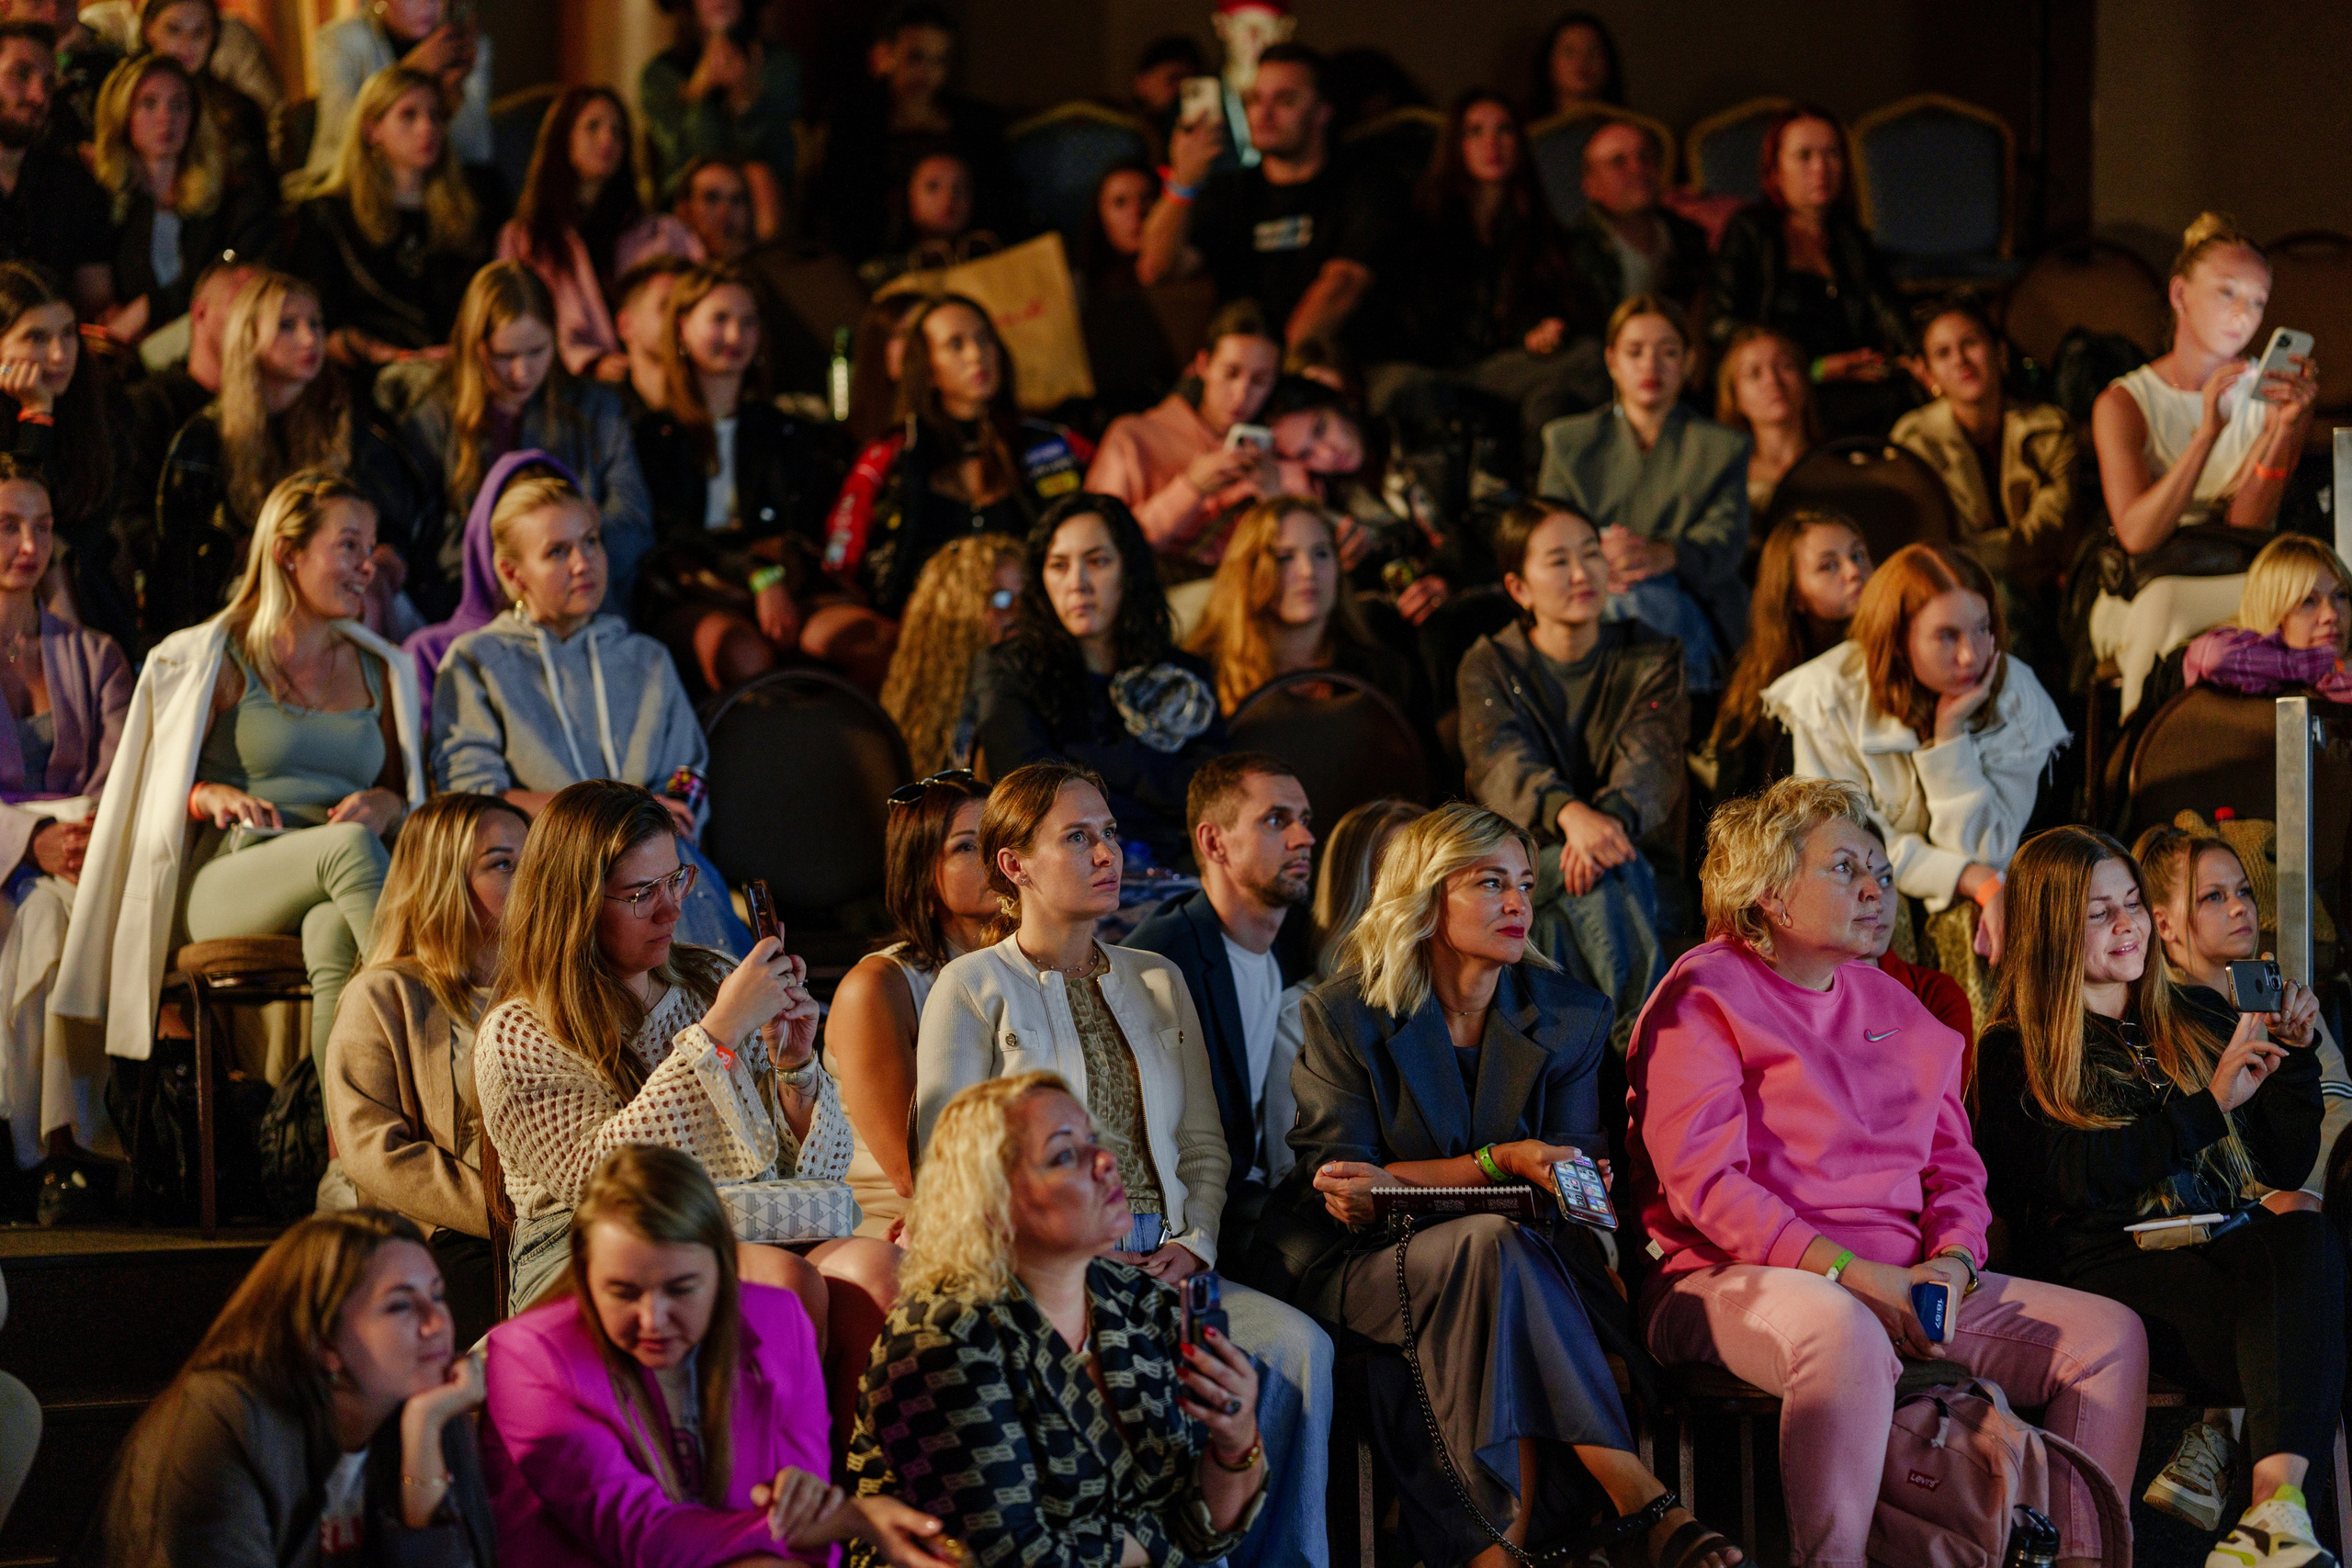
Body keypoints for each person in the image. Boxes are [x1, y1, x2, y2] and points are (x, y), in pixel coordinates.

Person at [1627, 778, 2146, 1568]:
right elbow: (1707, 1187)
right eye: (1845, 869)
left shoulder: (1900, 1006)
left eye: (1880, 867)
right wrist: (1853, 1274)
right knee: (1840, 1327)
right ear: (1767, 893)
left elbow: (1956, 1169)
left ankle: (2076, 1559)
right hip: (1730, 1277)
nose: (1877, 887)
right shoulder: (1704, 991)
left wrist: (1955, 1258)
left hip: (1902, 1282)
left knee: (2108, 1336)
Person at [1261, 800, 1738, 1568]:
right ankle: (1638, 1495)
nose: (1519, 903)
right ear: (1425, 895)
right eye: (1490, 883)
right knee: (1494, 1241)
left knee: (1495, 1256)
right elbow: (1346, 1186)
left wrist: (1423, 1180)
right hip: (1366, 1264)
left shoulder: (1570, 1015)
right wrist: (1504, 1162)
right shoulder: (1346, 1013)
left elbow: (1570, 1190)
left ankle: (1499, 1553)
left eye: (1524, 882)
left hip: (1528, 1263)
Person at [913, 759, 1332, 1568]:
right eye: (1078, 837)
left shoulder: (1158, 977)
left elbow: (1207, 1148)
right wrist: (1065, 1261)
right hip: (1047, 1275)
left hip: (1170, 1261)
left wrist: (1197, 1243)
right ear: (1015, 864)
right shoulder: (971, 986)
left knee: (1297, 1348)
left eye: (1109, 834)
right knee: (1152, 1387)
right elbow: (948, 1169)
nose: (1108, 854)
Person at [471, 778, 902, 1416]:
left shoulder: (708, 977)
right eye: (641, 893)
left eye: (677, 881)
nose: (671, 910)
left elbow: (813, 1173)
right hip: (587, 1248)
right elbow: (604, 1181)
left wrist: (794, 1065)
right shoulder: (521, 1027)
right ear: (573, 902)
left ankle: (843, 1485)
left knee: (879, 1272)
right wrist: (717, 1036)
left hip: (735, 1219)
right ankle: (770, 1496)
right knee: (784, 1285)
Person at [1973, 826, 2341, 1563]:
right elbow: (2068, 1181)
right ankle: (2274, 1524)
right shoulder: (2015, 1046)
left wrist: (2294, 1061)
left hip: (2221, 1247)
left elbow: (2281, 1159)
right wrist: (2207, 1104)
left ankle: (2274, 1510)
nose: (2128, 924)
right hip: (2108, 1268)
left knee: (2305, 1235)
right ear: (2052, 929)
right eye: (2099, 912)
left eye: (2133, 902)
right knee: (2310, 1316)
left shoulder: (2195, 1012)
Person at [60, 471, 424, 1097]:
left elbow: (412, 795)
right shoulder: (211, 656)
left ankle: (343, 1153)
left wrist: (390, 802)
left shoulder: (380, 667)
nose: (368, 566)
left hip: (335, 881)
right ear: (288, 552)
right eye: (349, 546)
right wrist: (201, 794)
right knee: (351, 851)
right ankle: (439, 1037)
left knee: (334, 937)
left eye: (371, 549)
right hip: (230, 876)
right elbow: (138, 794)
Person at [849, 1072, 1268, 1565]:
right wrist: (1167, 1542)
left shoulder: (1139, 1304)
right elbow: (1015, 1558)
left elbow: (1209, 1532)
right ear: (992, 1208)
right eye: (1065, 1155)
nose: (1107, 1160)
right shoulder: (939, 1341)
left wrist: (1236, 1440)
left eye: (1093, 1141)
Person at [484, 1145, 944, 1567]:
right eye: (622, 1292)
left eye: (681, 1289)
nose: (653, 1320)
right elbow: (638, 1537)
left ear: (723, 1269)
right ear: (585, 1276)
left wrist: (817, 1517)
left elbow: (803, 1526)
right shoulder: (529, 1356)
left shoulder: (777, 1319)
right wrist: (850, 1519)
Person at [429, 467, 745, 954]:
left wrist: (672, 811)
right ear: (513, 574)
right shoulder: (477, 660)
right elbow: (474, 794)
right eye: (558, 552)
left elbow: (688, 770)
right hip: (549, 864)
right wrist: (605, 818)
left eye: (591, 542)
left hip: (653, 855)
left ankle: (738, 1020)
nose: (584, 563)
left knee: (667, 866)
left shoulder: (646, 658)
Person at [75, 1210, 492, 1566]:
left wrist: (423, 1434)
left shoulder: (425, 1411)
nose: (436, 1323)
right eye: (400, 1305)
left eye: (438, 1296)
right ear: (324, 1341)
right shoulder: (226, 1420)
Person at [1764, 541, 2067, 994]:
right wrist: (1970, 877)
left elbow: (1987, 848)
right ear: (1899, 640)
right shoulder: (1826, 698)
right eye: (1947, 636)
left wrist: (1950, 737)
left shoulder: (2014, 692)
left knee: (1984, 917)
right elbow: (1844, 850)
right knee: (1881, 904)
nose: (1971, 656)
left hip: (1975, 885)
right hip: (1863, 885)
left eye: (1982, 629)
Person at [1458, 501, 1682, 1043]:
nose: (1583, 574)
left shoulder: (1650, 654)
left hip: (1632, 859)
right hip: (1523, 866)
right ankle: (1651, 1048)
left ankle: (1571, 1090)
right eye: (1559, 561)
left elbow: (1650, 759)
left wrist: (1602, 826)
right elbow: (1499, 764)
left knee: (1570, 915)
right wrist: (1569, 814)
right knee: (1598, 881)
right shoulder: (1490, 664)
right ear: (1519, 588)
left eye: (1591, 554)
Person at [323, 792, 529, 1349]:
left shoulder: (552, 994)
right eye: (504, 863)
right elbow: (374, 1152)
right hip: (445, 1239)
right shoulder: (384, 994)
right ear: (445, 880)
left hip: (550, 1229)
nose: (530, 880)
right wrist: (509, 1213)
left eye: (534, 862)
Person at [631, 262, 873, 694]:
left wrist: (777, 576)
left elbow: (803, 527)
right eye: (720, 319)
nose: (735, 336)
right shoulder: (652, 437)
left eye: (748, 322)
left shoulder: (787, 431)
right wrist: (758, 575)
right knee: (742, 654)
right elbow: (669, 540)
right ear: (683, 327)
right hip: (693, 593)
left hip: (785, 585)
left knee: (868, 640)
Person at [153, 267, 425, 639]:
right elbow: (184, 566)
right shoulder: (207, 437)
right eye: (287, 325)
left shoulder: (345, 419)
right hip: (248, 605)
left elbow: (394, 522)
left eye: (316, 323)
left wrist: (383, 554)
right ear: (248, 336)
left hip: (339, 587)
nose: (310, 338)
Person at [379, 260, 653, 626]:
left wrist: (564, 566)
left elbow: (632, 522)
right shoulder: (434, 410)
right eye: (504, 356)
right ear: (475, 346)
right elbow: (422, 534)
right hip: (466, 608)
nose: (522, 373)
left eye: (537, 352)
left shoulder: (596, 410)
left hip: (584, 611)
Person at [1125, 751, 1317, 1265]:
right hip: (1189, 1215)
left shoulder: (1285, 950)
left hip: (1252, 1189)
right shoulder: (1165, 959)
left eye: (1304, 821)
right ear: (1214, 842)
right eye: (1277, 821)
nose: (1304, 839)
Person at [973, 495, 1225, 872]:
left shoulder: (1182, 675)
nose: (1078, 583)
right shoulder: (1010, 670)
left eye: (1098, 561)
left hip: (1186, 868)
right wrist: (1151, 784)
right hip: (1069, 873)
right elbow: (1031, 798)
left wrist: (1081, 758)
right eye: (1059, 565)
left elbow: (1214, 796)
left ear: (1129, 571)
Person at [0, 459, 130, 1179]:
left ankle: (48, 1147)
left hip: (84, 852)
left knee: (57, 915)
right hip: (13, 857)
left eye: (43, 527)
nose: (29, 544)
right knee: (44, 917)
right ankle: (58, 1142)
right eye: (8, 526)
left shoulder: (94, 652)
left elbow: (121, 771)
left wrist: (76, 840)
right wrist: (28, 844)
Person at [823, 293, 1091, 620]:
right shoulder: (892, 451)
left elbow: (1108, 517)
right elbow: (841, 547)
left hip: (1038, 616)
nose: (976, 355)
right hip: (926, 624)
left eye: (984, 339)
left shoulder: (1051, 441)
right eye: (955, 344)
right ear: (928, 369)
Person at [1381, 89, 1601, 474]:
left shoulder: (1538, 228)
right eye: (1475, 132)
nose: (1492, 144)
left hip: (1511, 371)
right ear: (1456, 146)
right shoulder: (1423, 224)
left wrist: (1547, 329)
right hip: (1442, 373)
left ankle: (1544, 516)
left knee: (1583, 363)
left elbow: (1566, 304)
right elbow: (1413, 323)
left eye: (1504, 131)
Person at [1537, 296, 1750, 693]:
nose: (1650, 366)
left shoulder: (1721, 448)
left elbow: (1725, 543)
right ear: (1612, 361)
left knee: (1642, 601)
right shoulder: (1569, 442)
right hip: (1589, 593)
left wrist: (1662, 555)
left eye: (1667, 352)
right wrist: (1597, 554)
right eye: (1635, 352)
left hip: (1689, 601)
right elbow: (1547, 532)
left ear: (1688, 362)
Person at [2134, 820, 2352, 1203]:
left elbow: (2339, 1103)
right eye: (2213, 897)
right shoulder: (2159, 1020)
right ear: (2164, 924)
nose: (2240, 907)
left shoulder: (2281, 998)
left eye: (2244, 891)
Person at [1140, 42, 1402, 356]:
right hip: (1240, 374)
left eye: (1285, 100)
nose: (1263, 113)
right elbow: (1156, 269)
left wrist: (1276, 371)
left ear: (1322, 112)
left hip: (1334, 364)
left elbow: (1342, 287)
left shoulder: (1365, 183)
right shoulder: (1232, 191)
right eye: (1254, 100)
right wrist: (1182, 183)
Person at [828, 769, 994, 1241]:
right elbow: (910, 1171)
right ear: (923, 873)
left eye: (1002, 837)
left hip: (1012, 1206)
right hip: (895, 1223)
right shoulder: (878, 986)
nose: (997, 859)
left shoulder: (1036, 967)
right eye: (967, 846)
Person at [2093, 213, 2315, 564]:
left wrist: (2281, 432)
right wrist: (2207, 435)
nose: (2243, 313)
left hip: (2239, 565)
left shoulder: (2274, 395)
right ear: (2180, 294)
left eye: (2258, 301)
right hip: (2157, 574)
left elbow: (2246, 525)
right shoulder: (2123, 404)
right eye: (2227, 292)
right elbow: (2136, 536)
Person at [1703, 104, 1912, 437]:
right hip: (1782, 384)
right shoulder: (1750, 231)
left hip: (1857, 381)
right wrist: (1814, 367)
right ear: (1775, 171)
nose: (1821, 168)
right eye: (1804, 156)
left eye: (1832, 154)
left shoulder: (1851, 237)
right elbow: (1720, 324)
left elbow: (1890, 312)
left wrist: (1919, 357)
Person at [286, 65, 495, 368]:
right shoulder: (327, 216)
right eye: (409, 115)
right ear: (372, 130)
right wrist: (401, 358)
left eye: (436, 116)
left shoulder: (472, 204)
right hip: (373, 371)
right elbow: (321, 327)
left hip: (465, 364)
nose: (427, 128)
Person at [497, 85, 701, 379]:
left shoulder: (659, 233)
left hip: (657, 377)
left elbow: (696, 304)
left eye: (617, 131)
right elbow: (512, 324)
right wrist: (589, 363)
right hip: (563, 383)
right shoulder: (524, 239)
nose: (608, 139)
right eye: (593, 127)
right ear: (563, 137)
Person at [1893, 296, 2080, 604]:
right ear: (1927, 375)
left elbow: (2050, 531)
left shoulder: (2050, 428)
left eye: (1970, 343)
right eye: (1943, 353)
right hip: (1957, 593)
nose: (1960, 360)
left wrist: (1971, 551)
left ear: (2000, 352)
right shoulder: (1913, 442)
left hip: (2050, 590)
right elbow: (1933, 546)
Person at [1185, 494, 1423, 724]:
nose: (1308, 570)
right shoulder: (1202, 681)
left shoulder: (1381, 673)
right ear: (1248, 572)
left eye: (1321, 553)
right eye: (1284, 557)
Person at [0, 262, 138, 655]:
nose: (59, 354)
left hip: (84, 589)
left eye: (68, 334)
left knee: (56, 554)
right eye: (36, 338)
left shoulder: (103, 409)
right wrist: (36, 419)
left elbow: (87, 526)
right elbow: (15, 515)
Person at [1084, 298, 1283, 562]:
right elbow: (1096, 546)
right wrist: (1190, 488)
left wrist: (1273, 495)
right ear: (1203, 365)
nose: (1241, 394)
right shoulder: (1134, 436)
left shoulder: (1272, 450)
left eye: (1259, 381)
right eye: (1231, 373)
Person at [812, 4, 1013, 265]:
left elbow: (1001, 203)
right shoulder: (853, 125)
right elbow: (837, 210)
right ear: (885, 56)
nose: (927, 72)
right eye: (916, 57)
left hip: (968, 260)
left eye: (939, 60)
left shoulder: (976, 125)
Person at [90, 52, 267, 343]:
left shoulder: (232, 197)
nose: (166, 118)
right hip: (132, 352)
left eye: (179, 106)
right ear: (122, 114)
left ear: (195, 117)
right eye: (149, 104)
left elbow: (246, 283)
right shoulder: (103, 201)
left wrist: (151, 307)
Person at [1703, 508, 1870, 806]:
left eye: (1857, 555)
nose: (1854, 571)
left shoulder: (1893, 651)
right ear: (1793, 593)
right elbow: (1733, 804)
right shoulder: (1758, 679)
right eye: (1828, 566)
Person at [639, 0, 798, 231]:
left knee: (758, 177)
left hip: (762, 199)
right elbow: (682, 157)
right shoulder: (660, 75)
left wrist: (745, 103)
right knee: (707, 184)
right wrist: (698, 96)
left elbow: (774, 151)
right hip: (686, 194)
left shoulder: (778, 64)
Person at [876, 532, 1023, 777]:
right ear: (959, 610)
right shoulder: (919, 711)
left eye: (1026, 598)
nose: (1017, 613)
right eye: (1000, 598)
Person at [302, 0, 491, 185]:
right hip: (345, 181)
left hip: (432, 185)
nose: (426, 5)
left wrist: (451, 98)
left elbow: (474, 149)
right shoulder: (339, 41)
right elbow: (342, 131)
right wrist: (409, 73)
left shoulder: (460, 46)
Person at [0, 23, 113, 321]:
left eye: (48, 83)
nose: (38, 96)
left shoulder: (71, 185)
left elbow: (95, 304)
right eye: (21, 74)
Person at [109, 0, 272, 188]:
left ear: (214, 36)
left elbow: (257, 195)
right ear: (149, 30)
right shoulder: (122, 96)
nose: (185, 44)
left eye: (199, 33)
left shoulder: (237, 110)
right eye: (173, 30)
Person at [1564, 118, 1709, 320]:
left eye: (1645, 157)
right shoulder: (1572, 250)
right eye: (1618, 162)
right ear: (1591, 185)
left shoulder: (1689, 237)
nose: (1637, 169)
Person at [2182, 531, 2352, 701]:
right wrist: (2314, 665)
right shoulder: (2234, 659)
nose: (2331, 614)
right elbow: (2214, 657)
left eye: (2340, 595)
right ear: (2271, 609)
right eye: (2307, 601)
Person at [1078, 157, 1182, 423]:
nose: (1137, 212)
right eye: (1120, 203)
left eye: (1147, 198)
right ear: (1100, 214)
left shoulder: (1186, 270)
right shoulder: (1081, 287)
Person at [1713, 322, 1819, 515]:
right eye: (1754, 374)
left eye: (1785, 366)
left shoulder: (1842, 463)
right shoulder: (1723, 478)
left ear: (1804, 380)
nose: (1772, 380)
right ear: (1735, 399)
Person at [608, 253, 694, 418]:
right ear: (625, 325)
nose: (680, 320)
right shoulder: (604, 412)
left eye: (687, 309)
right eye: (665, 306)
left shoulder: (706, 406)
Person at [1530, 9, 1623, 114]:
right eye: (1569, 52)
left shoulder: (1629, 125)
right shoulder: (1527, 127)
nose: (1582, 62)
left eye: (1593, 53)